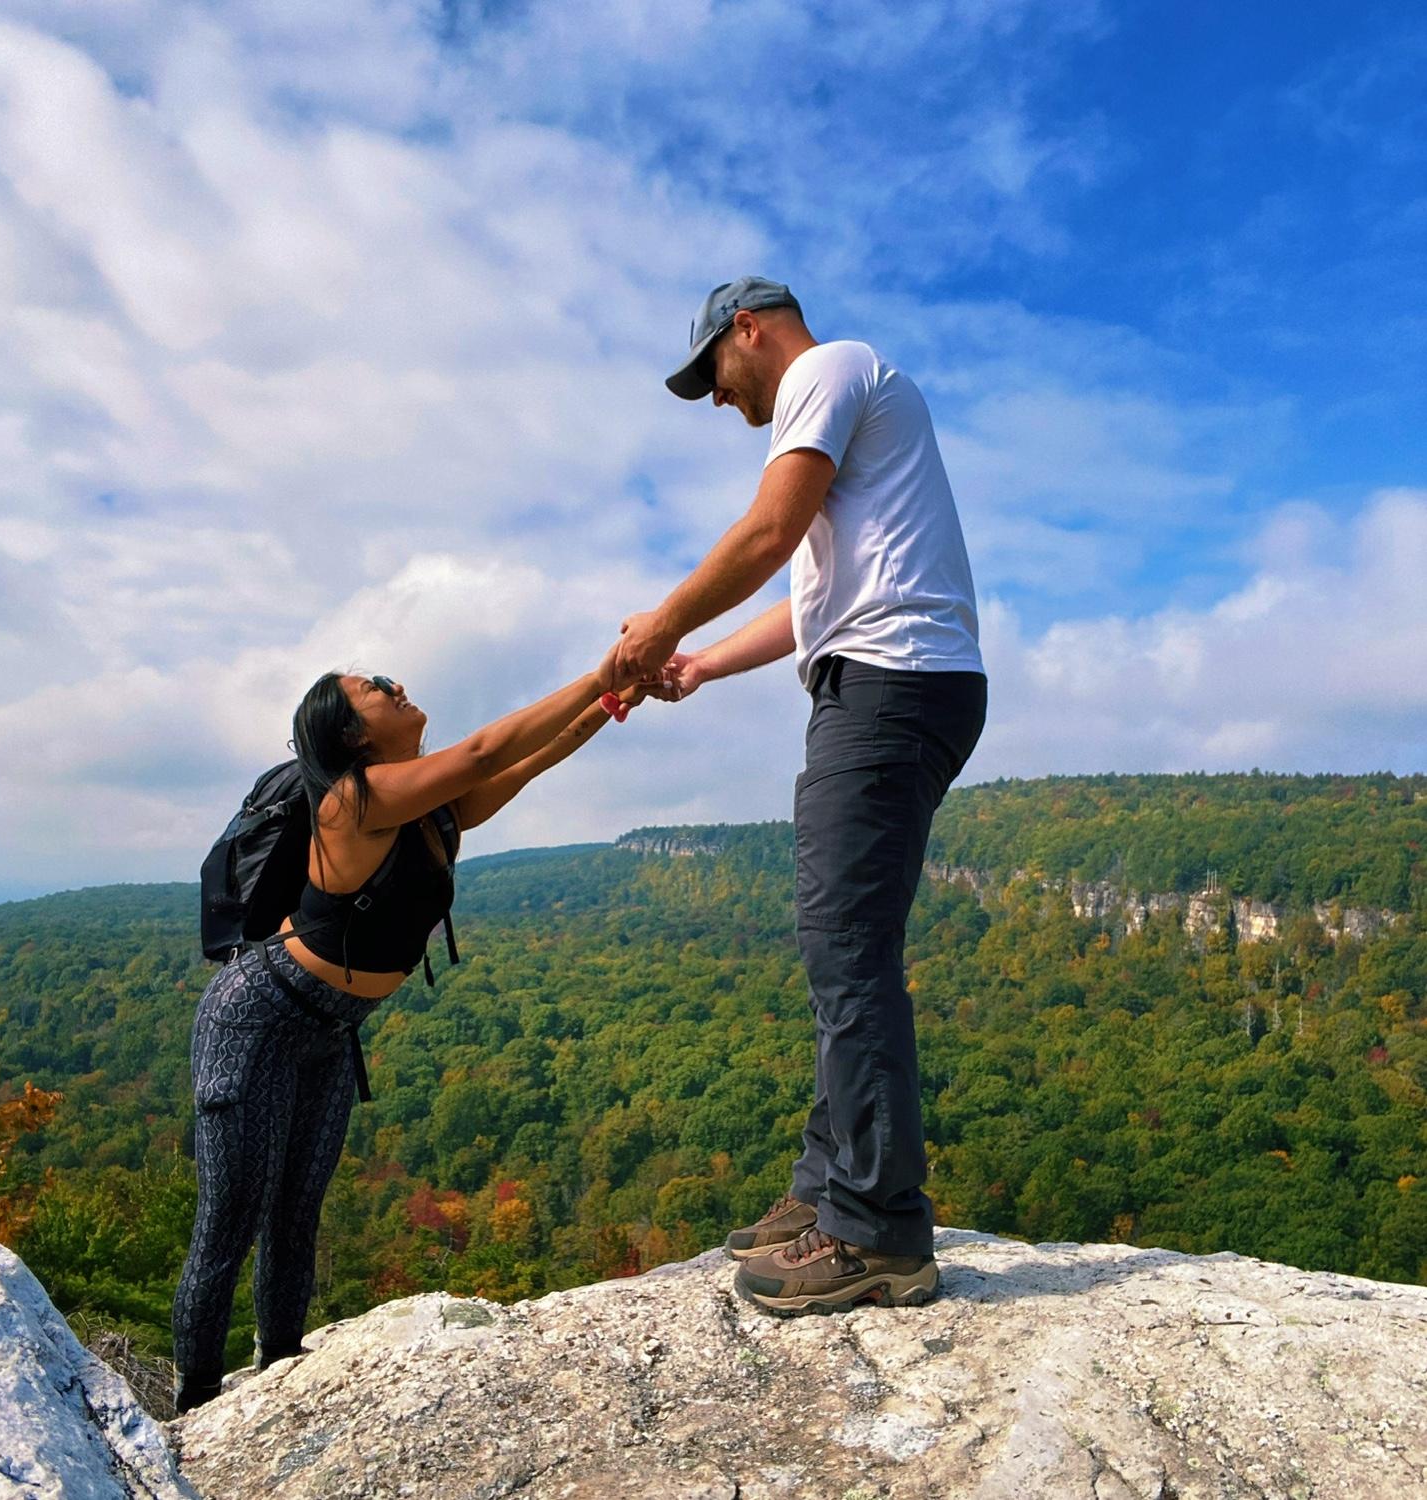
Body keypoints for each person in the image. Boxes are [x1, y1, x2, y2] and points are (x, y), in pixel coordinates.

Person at [615, 276, 987, 1317]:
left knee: (847, 954)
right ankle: (828, 1190)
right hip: (894, 680)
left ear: (750, 330)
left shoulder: (827, 368)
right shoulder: (854, 403)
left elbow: (768, 532)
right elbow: (810, 598)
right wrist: (701, 664)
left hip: (889, 687)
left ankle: (877, 1231)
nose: (718, 399)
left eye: (713, 373)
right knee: (843, 953)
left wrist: (661, 625)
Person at [172, 660, 662, 1410]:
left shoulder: (436, 811)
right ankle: (196, 1406)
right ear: (350, 735)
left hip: (329, 1030)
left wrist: (613, 697)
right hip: (256, 1020)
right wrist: (606, 666)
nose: (394, 685)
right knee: (231, 1220)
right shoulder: (350, 801)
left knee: (298, 1210)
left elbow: (534, 757)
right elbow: (484, 751)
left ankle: (277, 1375)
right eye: (374, 687)